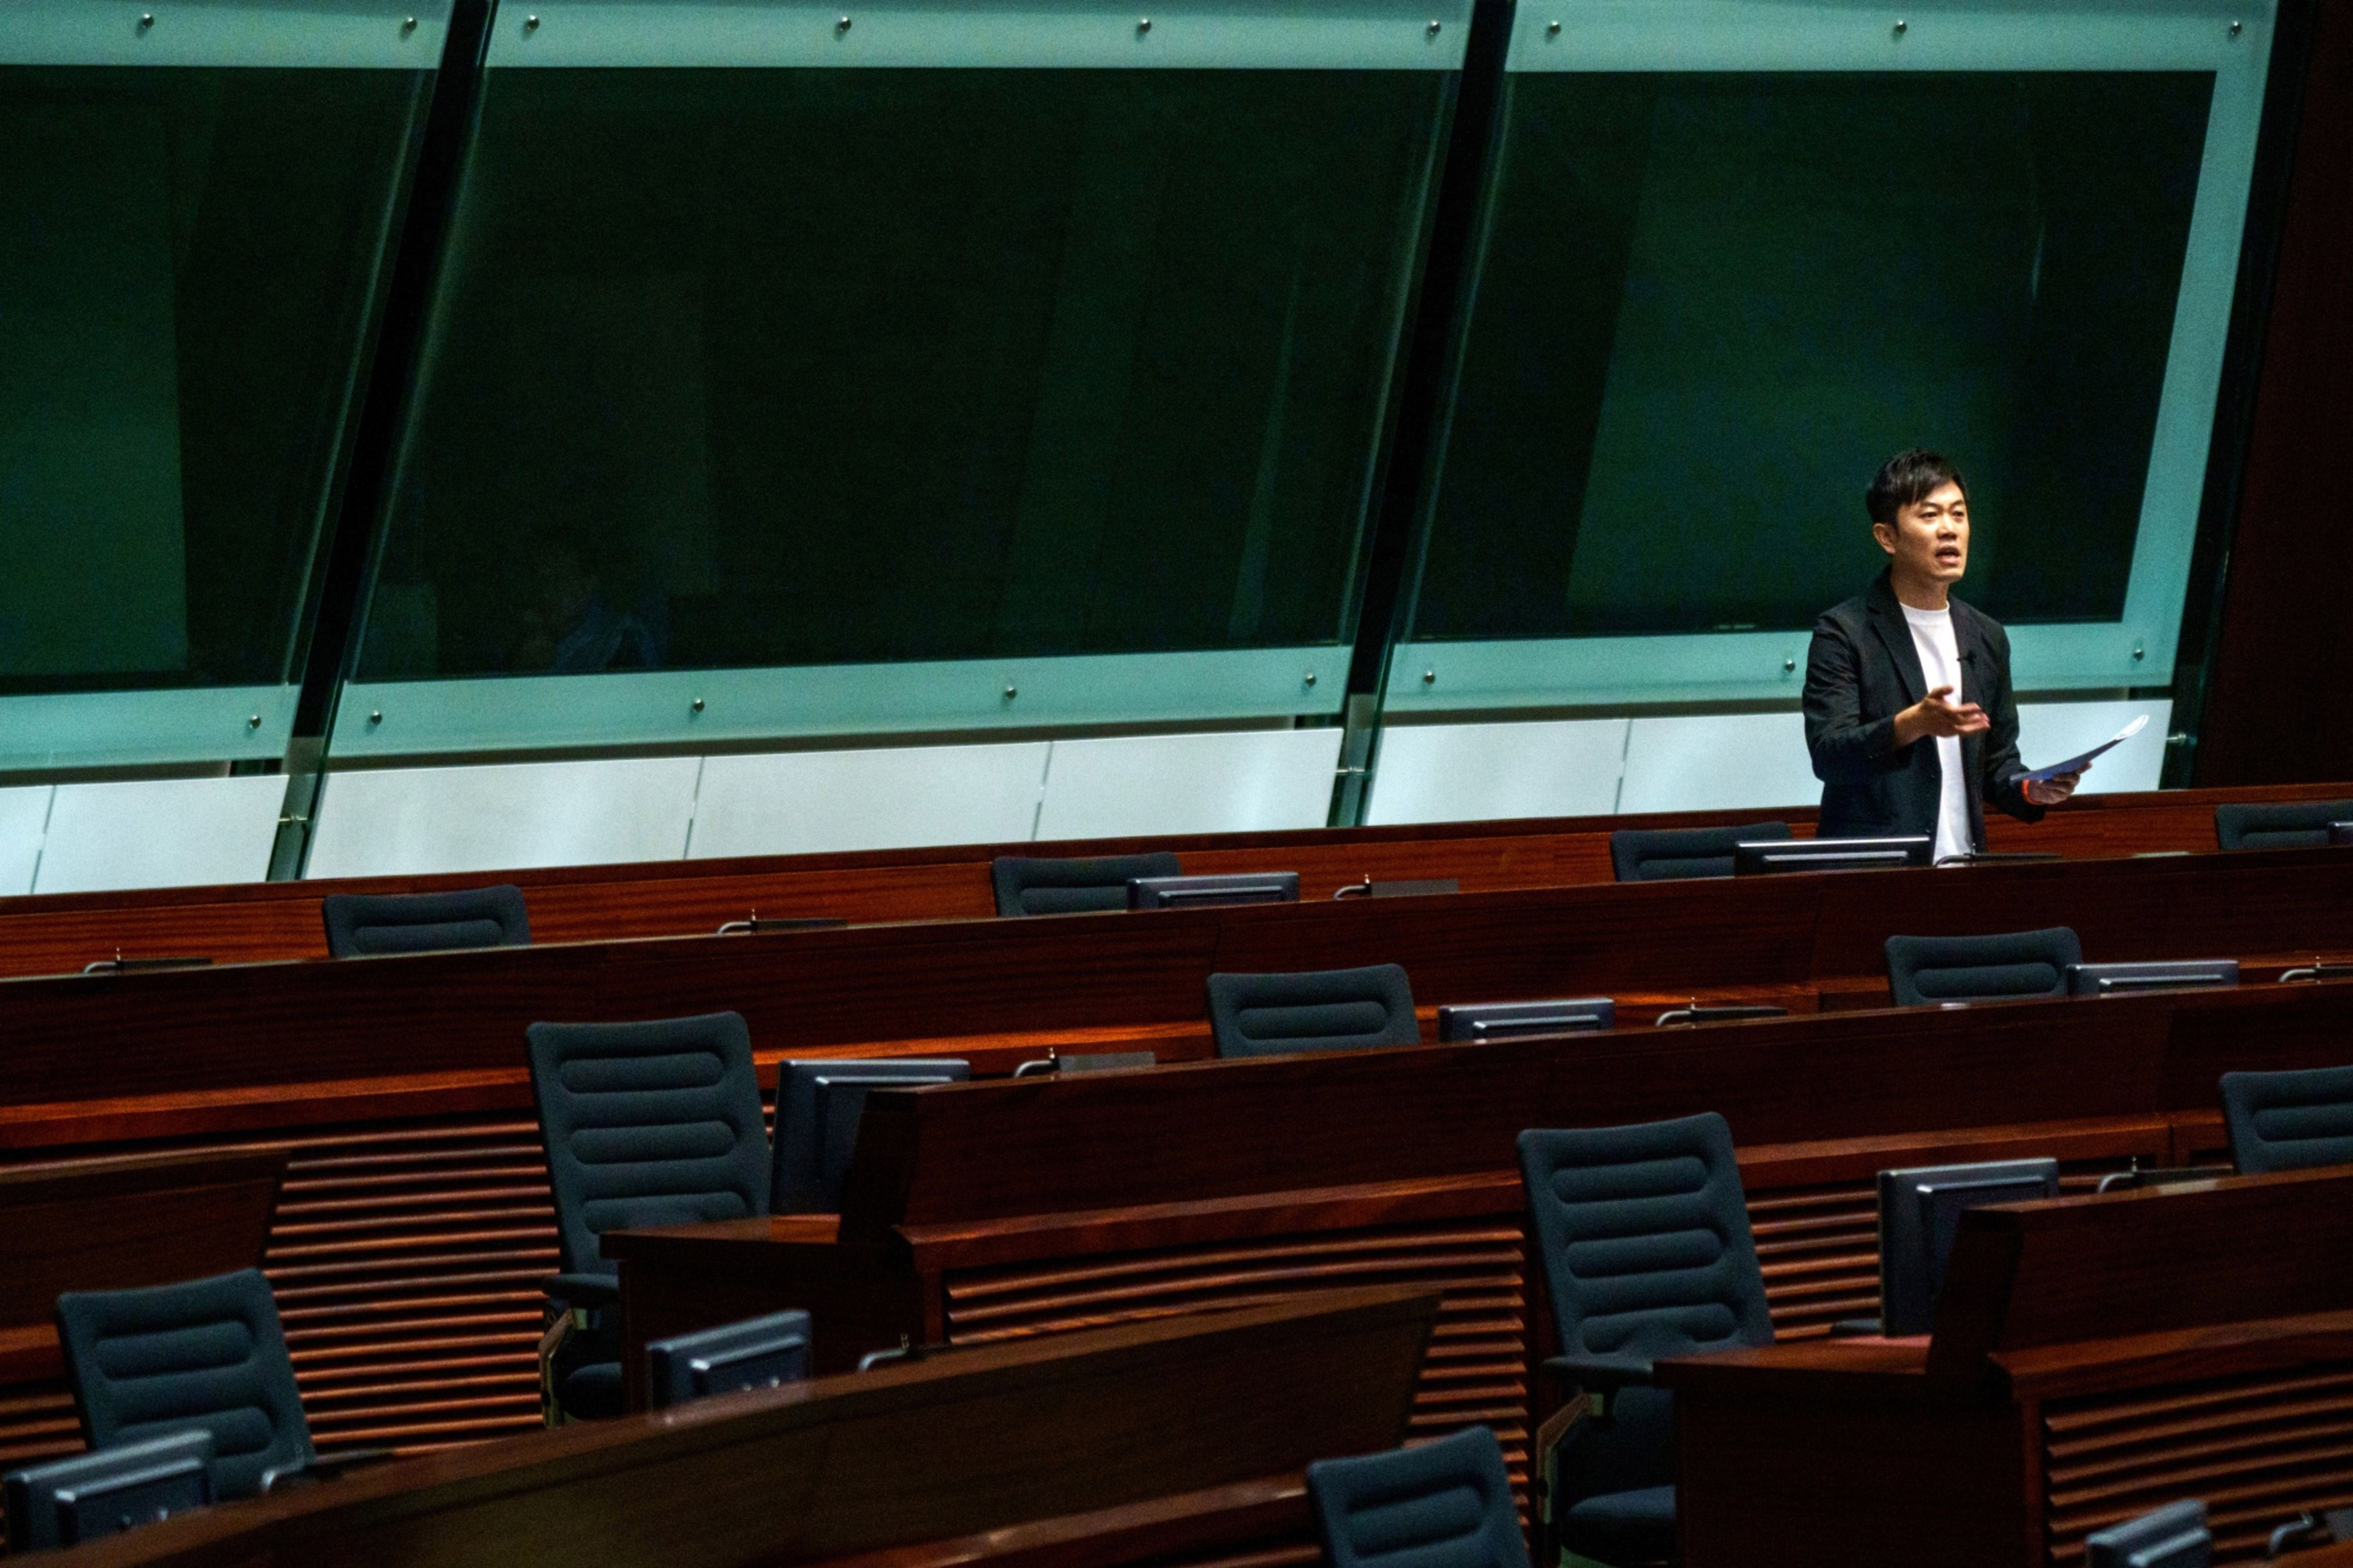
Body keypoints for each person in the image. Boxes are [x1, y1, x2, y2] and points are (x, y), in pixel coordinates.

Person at [1802, 449, 2080, 862]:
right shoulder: (1843, 632)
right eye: (1929, 516)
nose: (1949, 530)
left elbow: (1998, 762)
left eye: (1958, 514)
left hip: (1963, 867)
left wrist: (2030, 789)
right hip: (1876, 876)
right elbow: (1830, 755)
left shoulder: (1986, 635)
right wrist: (1910, 724)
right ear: (1887, 537)